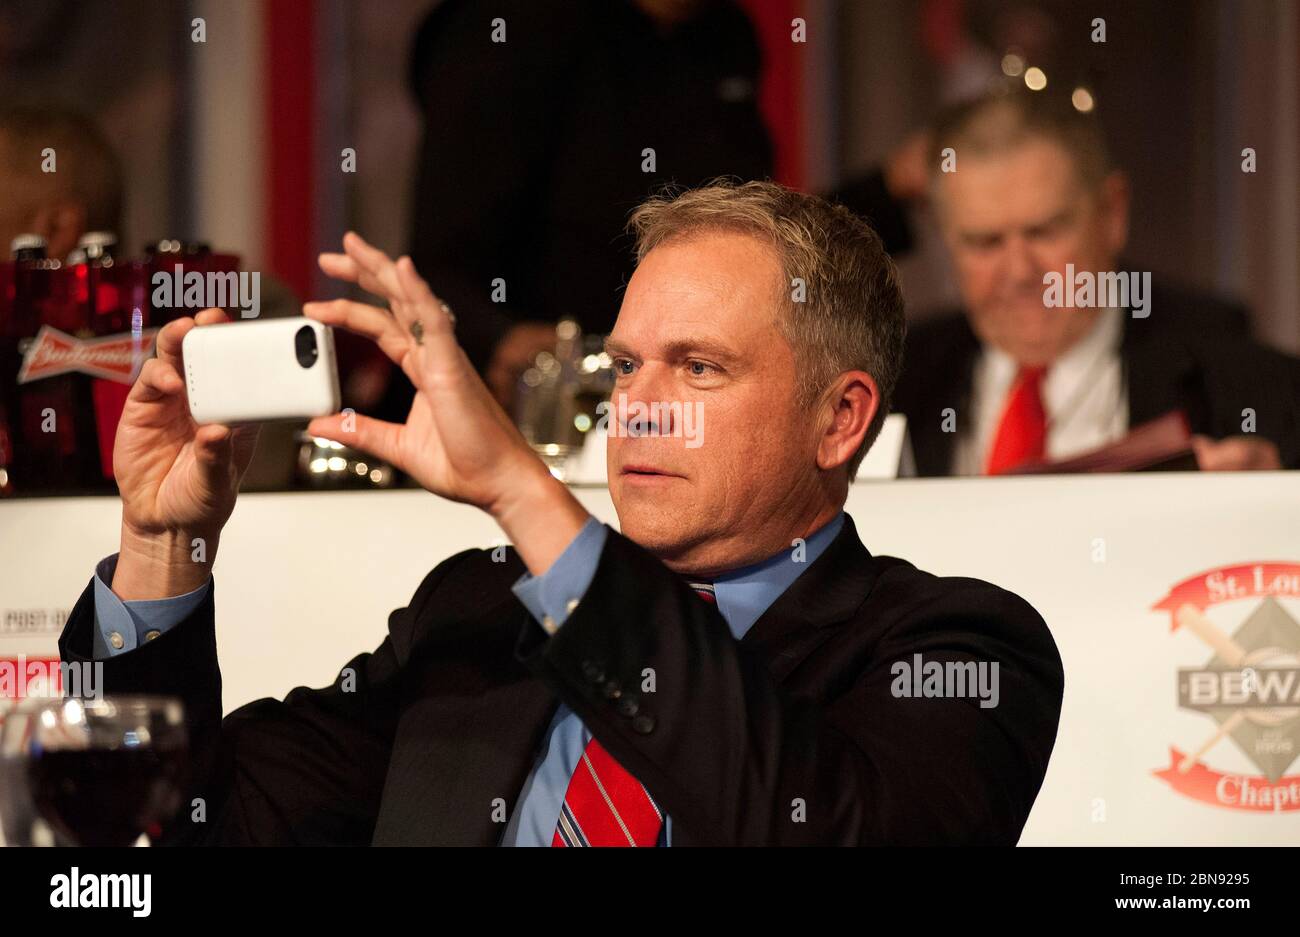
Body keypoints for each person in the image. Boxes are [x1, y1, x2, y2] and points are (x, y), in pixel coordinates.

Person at [59, 181, 1063, 846]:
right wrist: (162, 542)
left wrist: (520, 490)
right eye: (626, 365)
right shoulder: (481, 613)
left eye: (699, 367)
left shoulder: (958, 647)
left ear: (839, 419)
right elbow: (194, 826)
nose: (638, 403)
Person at [887, 89, 1300, 476]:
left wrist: (1270, 500)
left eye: (1044, 232)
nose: (1019, 272)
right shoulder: (896, 380)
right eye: (985, 242)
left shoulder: (1234, 373)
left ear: (1112, 214)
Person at [398, 0, 773, 413]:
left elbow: (742, 208)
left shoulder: (727, 34)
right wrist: (502, 340)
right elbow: (435, 265)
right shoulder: (510, 27)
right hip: (535, 402)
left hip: (688, 385)